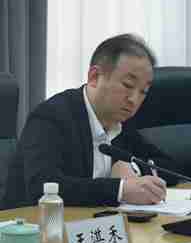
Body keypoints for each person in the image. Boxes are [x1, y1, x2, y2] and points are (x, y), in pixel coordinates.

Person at [3, 34, 178, 209]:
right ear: (94, 77)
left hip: (97, 221)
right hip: (31, 222)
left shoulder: (121, 120)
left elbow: (170, 168)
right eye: (128, 85)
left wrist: (133, 169)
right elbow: (42, 186)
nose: (134, 99)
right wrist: (120, 189)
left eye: (143, 92)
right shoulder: (51, 116)